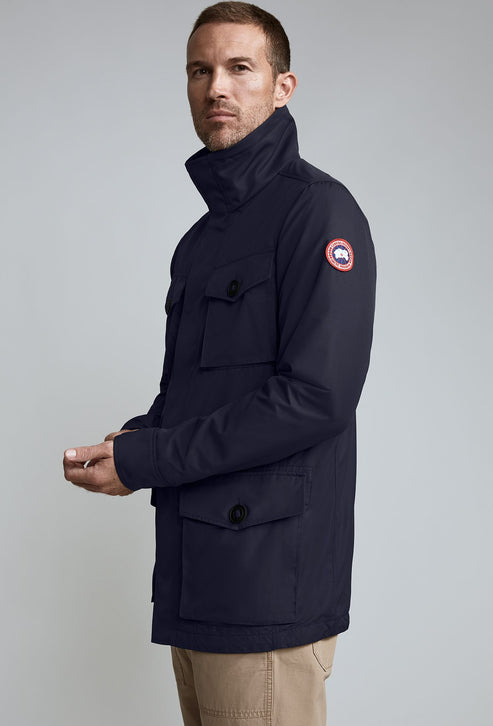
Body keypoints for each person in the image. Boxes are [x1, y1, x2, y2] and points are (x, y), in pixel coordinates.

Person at [63, 2, 377, 724]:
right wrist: (136, 440)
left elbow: (316, 397)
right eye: (199, 71)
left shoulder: (318, 213)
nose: (217, 88)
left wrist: (149, 460)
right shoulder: (201, 240)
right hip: (197, 579)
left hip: (265, 588)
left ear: (282, 86)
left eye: (239, 68)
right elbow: (205, 393)